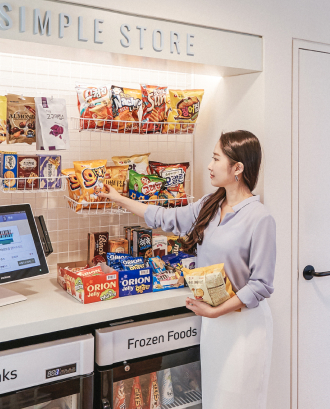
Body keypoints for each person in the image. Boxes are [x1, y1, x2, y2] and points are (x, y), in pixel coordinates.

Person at [98, 130, 275, 409]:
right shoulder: (209, 205)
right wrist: (119, 199)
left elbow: (261, 284)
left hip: (243, 326)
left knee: (239, 400)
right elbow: (163, 217)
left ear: (238, 168)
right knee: (216, 400)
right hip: (214, 322)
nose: (210, 165)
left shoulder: (260, 218)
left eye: (216, 159)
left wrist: (216, 311)